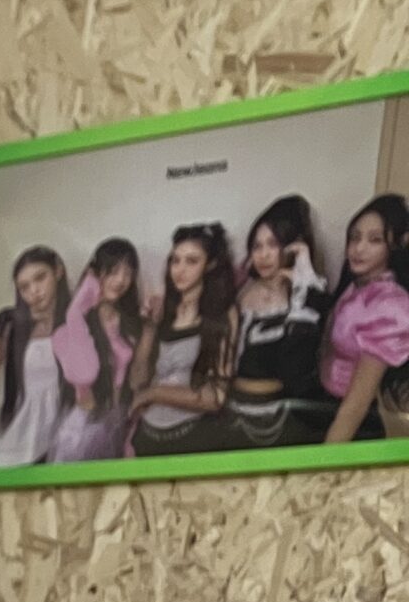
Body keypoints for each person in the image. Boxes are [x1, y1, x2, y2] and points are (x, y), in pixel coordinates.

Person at [226, 195, 331, 448]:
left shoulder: (308, 294)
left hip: (286, 415)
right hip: (236, 411)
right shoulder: (242, 292)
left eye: (273, 244)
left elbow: (299, 366)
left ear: (291, 246)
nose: (263, 254)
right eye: (256, 246)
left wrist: (303, 287)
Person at [130, 223, 235, 459]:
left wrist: (154, 393)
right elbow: (137, 381)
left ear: (210, 265)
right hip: (148, 438)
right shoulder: (165, 310)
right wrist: (149, 328)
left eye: (191, 261)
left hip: (193, 439)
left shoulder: (221, 314)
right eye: (175, 261)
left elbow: (215, 398)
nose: (180, 270)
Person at [321, 195, 409, 445]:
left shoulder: (390, 306)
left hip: (351, 425)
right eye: (355, 237)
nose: (359, 249)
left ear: (395, 245)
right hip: (325, 407)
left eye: (374, 240)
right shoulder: (357, 286)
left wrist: (325, 458)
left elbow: (357, 404)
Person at [0, 245, 68, 470]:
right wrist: (0, 324)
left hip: (52, 445)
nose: (34, 291)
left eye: (40, 278)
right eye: (24, 287)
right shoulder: (13, 325)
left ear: (58, 271)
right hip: (7, 447)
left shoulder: (74, 322)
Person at [50, 235, 142, 464]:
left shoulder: (128, 322)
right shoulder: (69, 328)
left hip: (116, 421)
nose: (121, 280)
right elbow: (84, 374)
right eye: (113, 271)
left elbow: (136, 380)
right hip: (85, 426)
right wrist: (77, 311)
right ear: (95, 273)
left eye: (128, 273)